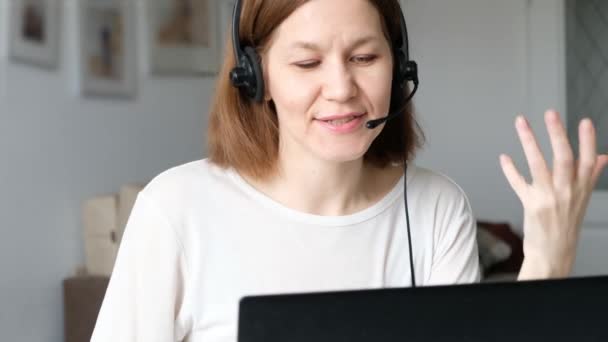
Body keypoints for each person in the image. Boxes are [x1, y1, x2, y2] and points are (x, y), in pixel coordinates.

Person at [90, 0, 608, 341]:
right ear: (255, 79)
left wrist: (548, 260)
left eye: (364, 57)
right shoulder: (176, 209)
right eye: (307, 64)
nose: (341, 89)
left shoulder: (436, 209)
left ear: (399, 67)